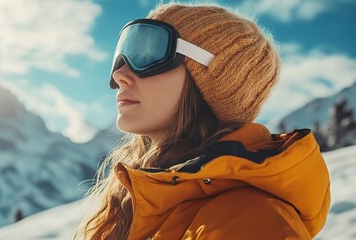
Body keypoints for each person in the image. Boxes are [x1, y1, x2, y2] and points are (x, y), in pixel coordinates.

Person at [77, 3, 330, 240]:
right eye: (122, 55)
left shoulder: (251, 219)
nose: (119, 74)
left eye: (148, 52)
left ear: (213, 82)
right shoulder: (136, 197)